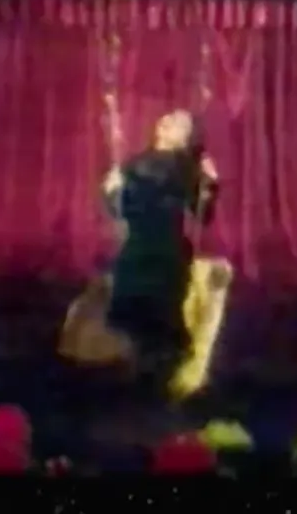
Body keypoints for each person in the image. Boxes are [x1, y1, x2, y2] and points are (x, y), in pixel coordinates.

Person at [100, 109, 220, 397]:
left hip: (168, 248)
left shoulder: (188, 168)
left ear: (186, 137)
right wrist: (111, 191)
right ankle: (141, 375)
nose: (169, 122)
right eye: (168, 118)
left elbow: (202, 215)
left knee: (162, 315)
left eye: (180, 122)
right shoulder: (134, 164)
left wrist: (210, 186)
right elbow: (121, 211)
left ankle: (160, 377)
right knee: (136, 317)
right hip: (136, 246)